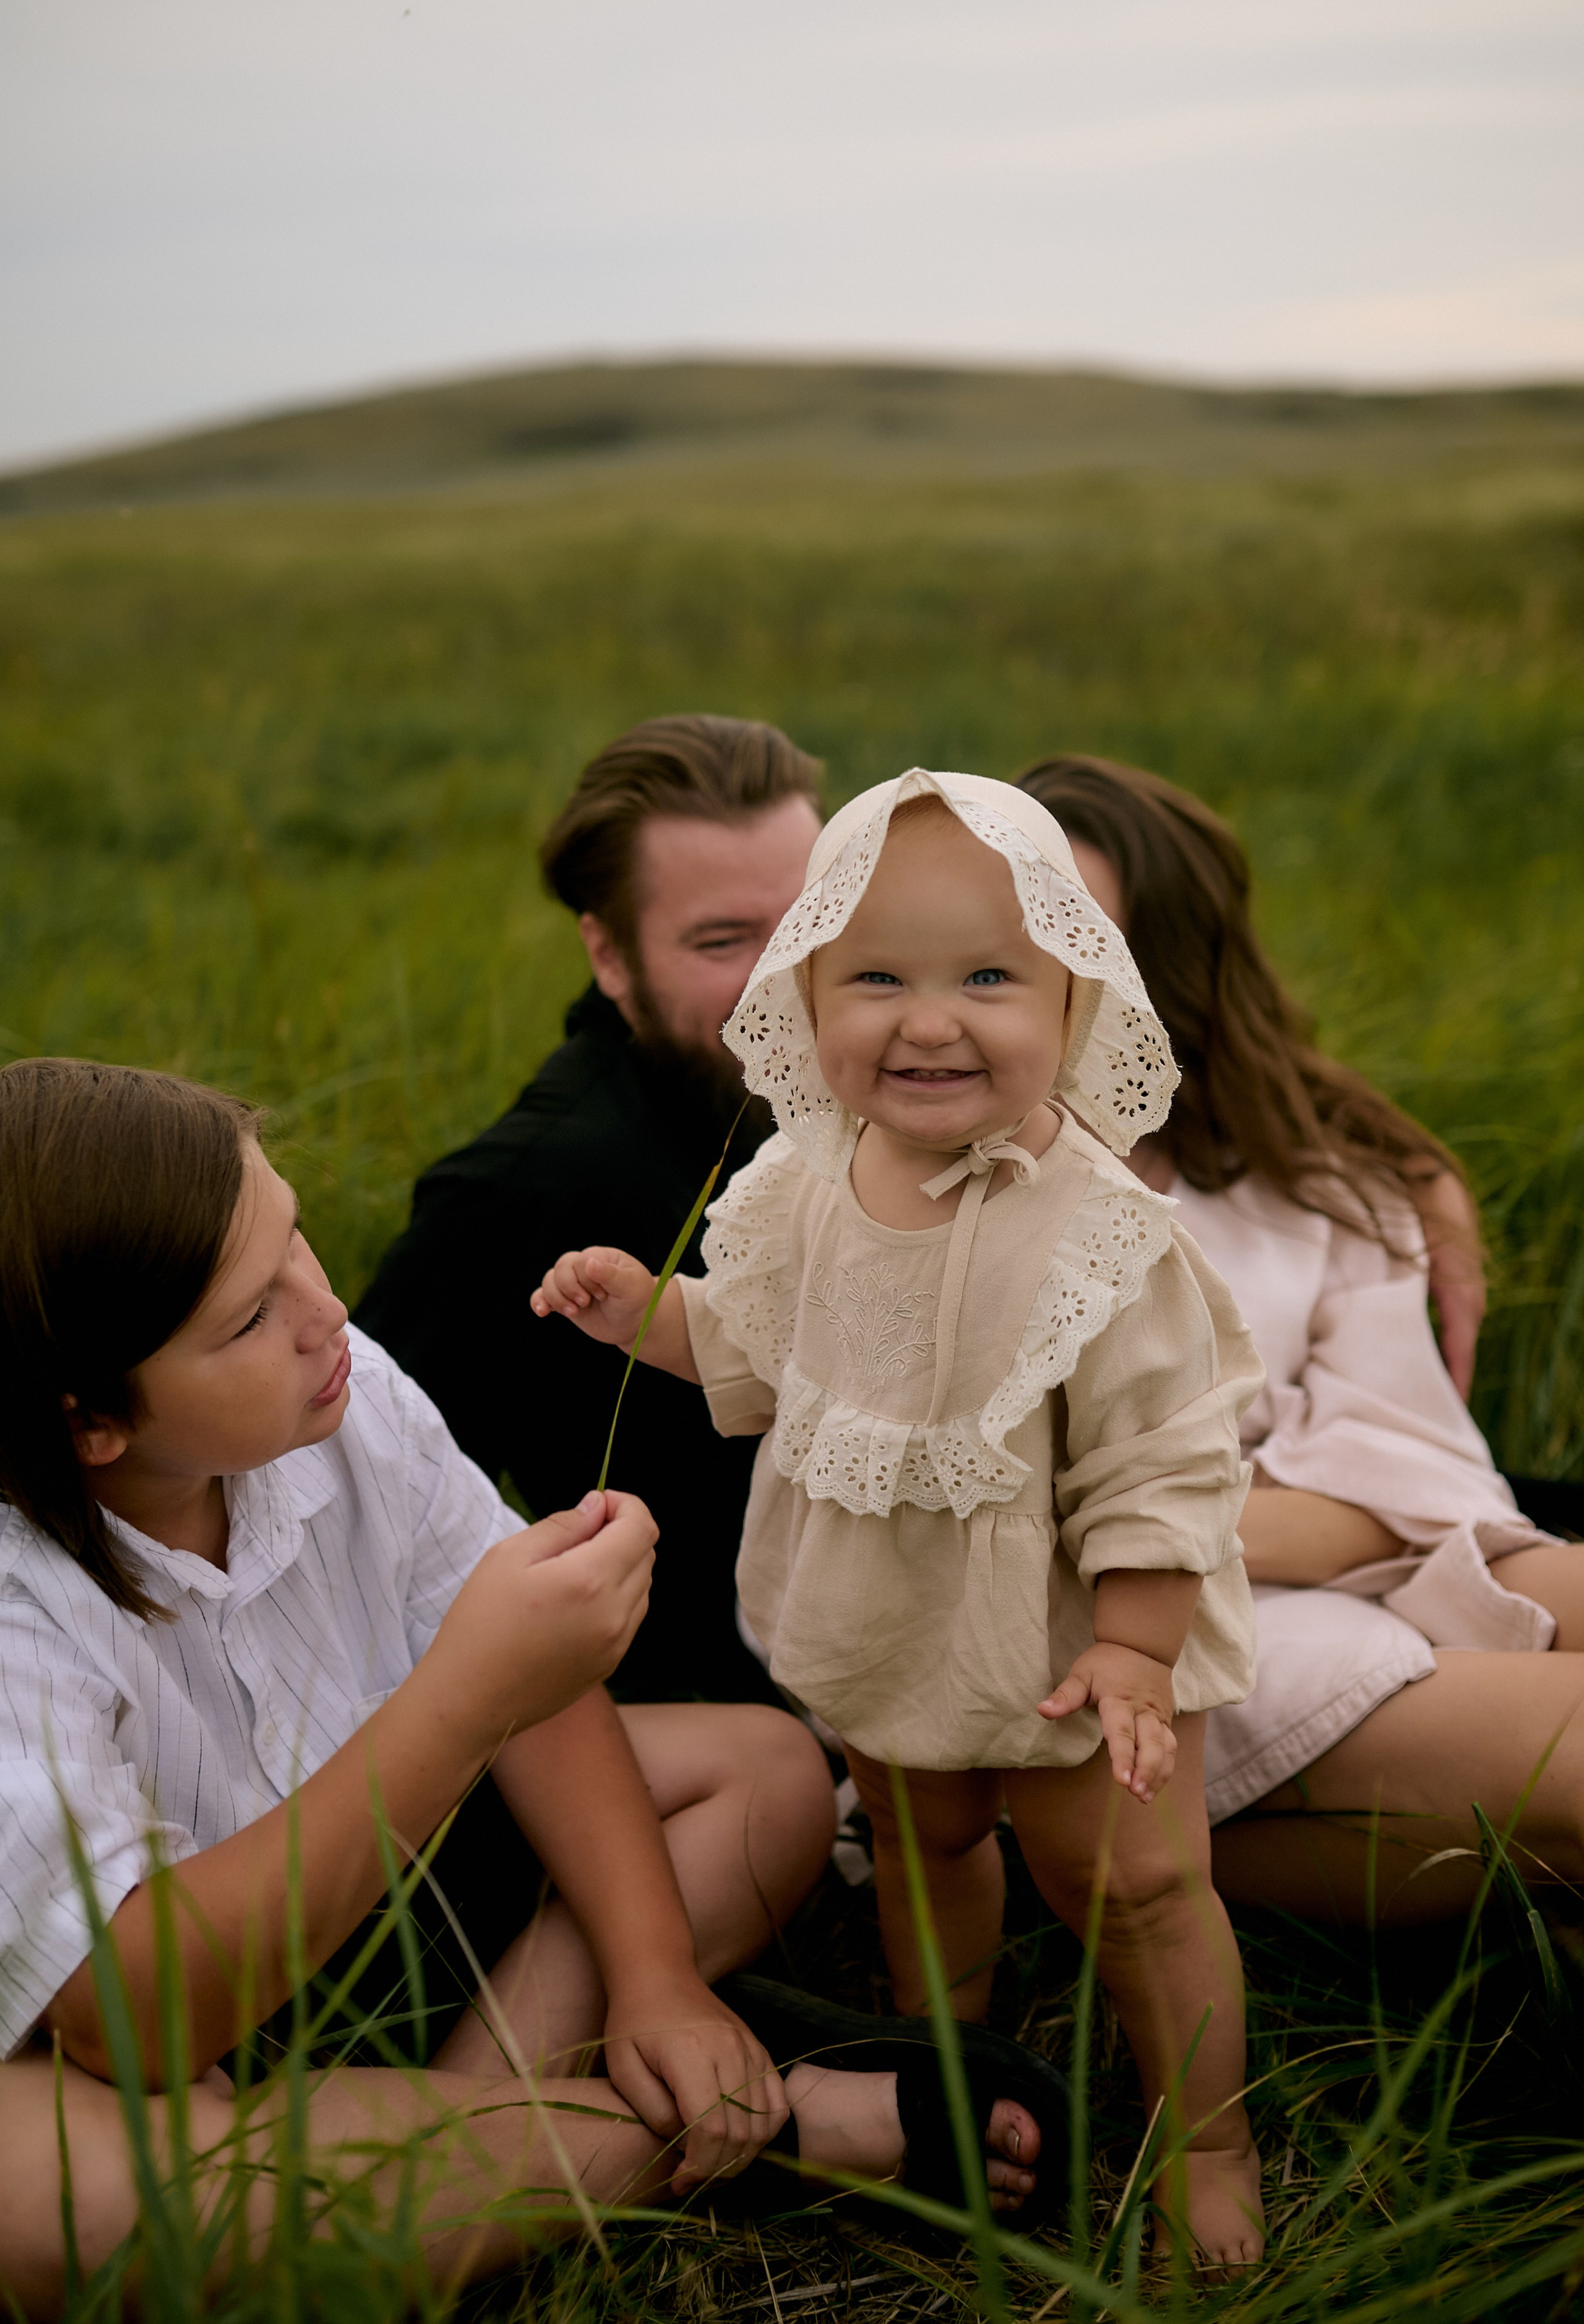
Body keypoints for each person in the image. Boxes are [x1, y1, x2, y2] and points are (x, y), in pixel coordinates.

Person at [0, 1059, 1059, 2313]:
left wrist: (655, 1972)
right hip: (128, 2036)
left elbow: (539, 1686)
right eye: (245, 1320)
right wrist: (464, 1693)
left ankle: (459, 2140)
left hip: (381, 1905)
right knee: (83, 2210)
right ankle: (727, 2140)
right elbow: (143, 2022)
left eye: (293, 1242)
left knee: (768, 1773)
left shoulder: (340, 1392)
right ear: (89, 1425)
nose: (322, 1308)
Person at [534, 768, 1269, 2266]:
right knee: (921, 1840)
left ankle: (1207, 2136)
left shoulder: (1098, 1232)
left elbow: (1162, 1457)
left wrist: (1135, 1645)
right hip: (887, 1608)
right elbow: (758, 1350)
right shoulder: (805, 1183)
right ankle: (950, 2050)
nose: (928, 1021)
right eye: (875, 978)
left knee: (1129, 1883)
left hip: (1072, 1631)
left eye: (987, 978)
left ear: (1074, 997)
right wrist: (648, 1317)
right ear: (807, 996)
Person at [1016, 755, 1584, 1922]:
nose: (1038, 974)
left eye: (1085, 939)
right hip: (1149, 1642)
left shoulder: (1297, 1182)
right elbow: (1022, 1534)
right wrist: (1288, 1515)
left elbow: (1415, 1465)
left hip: (1373, 1556)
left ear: (1169, 974)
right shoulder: (937, 1202)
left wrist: (1208, 1515)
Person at [356, 714, 824, 1705]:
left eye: (814, 917)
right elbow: (342, 1508)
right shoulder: (527, 1190)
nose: (790, 977)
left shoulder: (870, 1093)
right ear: (609, 955)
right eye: (724, 939)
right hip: (733, 1724)